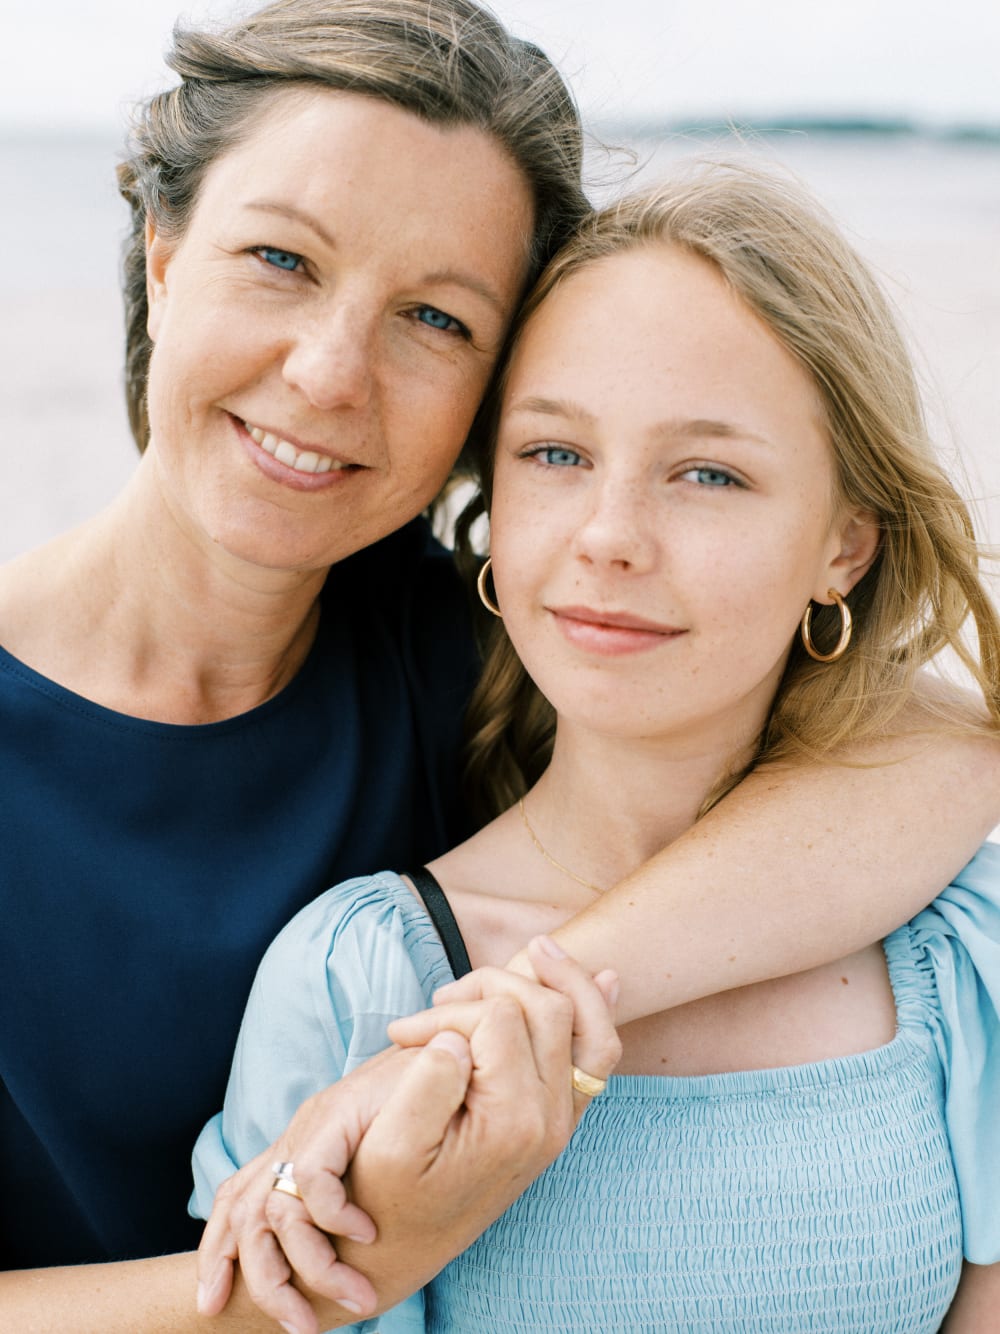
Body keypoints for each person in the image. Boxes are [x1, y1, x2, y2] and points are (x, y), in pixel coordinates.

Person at [0, 0, 998, 1319]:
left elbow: (930, 756)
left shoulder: (506, 641)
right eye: (281, 259)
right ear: (165, 251)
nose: (329, 371)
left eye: (437, 318)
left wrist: (525, 1007)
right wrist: (362, 1253)